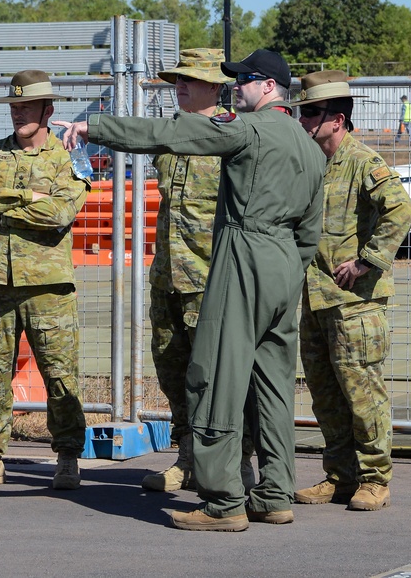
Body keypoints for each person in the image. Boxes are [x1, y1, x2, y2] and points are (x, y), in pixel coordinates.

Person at [56, 49, 325, 531]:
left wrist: (96, 128)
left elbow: (169, 132)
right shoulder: (308, 145)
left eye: (242, 80)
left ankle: (223, 502)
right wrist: (286, 267)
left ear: (268, 87)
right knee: (275, 384)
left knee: (217, 374)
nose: (235, 88)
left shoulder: (248, 130)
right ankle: (275, 492)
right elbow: (311, 230)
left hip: (245, 251)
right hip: (286, 263)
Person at [0, 69, 90, 491]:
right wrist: (30, 196)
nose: (18, 114)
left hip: (48, 287)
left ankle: (68, 455)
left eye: (27, 106)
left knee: (59, 376)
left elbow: (61, 214)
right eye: (14, 107)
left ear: (49, 110)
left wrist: (1, 203)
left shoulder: (70, 157)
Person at [293, 70, 411, 511]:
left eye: (311, 112)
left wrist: (368, 260)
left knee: (363, 393)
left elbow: (400, 210)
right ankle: (340, 475)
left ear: (337, 119)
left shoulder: (364, 162)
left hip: (355, 304)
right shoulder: (310, 162)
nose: (303, 120)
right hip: (315, 298)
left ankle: (374, 478)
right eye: (300, 112)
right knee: (326, 395)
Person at [138, 48, 250, 493]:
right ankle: (186, 457)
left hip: (210, 281)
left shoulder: (236, 134)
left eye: (188, 78)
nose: (178, 85)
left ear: (214, 87)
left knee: (218, 377)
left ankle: (232, 463)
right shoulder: (171, 137)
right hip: (168, 278)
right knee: (172, 369)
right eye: (175, 79)